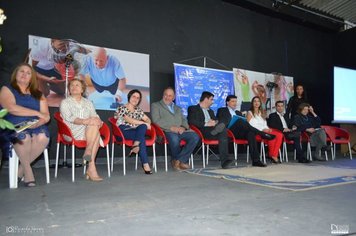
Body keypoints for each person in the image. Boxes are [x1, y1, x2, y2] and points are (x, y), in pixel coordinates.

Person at [0, 63, 50, 187]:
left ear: (32, 78)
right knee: (24, 137)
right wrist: (36, 113)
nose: (24, 74)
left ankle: (21, 170)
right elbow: (11, 108)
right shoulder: (7, 89)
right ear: (15, 74)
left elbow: (46, 116)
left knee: (43, 136)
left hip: (35, 124)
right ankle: (28, 172)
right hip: (13, 123)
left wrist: (40, 121)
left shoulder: (39, 94)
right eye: (21, 71)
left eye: (28, 73)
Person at [60, 78, 104, 181]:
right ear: (69, 90)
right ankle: (91, 166)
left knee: (94, 125)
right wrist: (86, 121)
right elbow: (69, 118)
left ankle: (89, 155)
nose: (74, 87)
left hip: (87, 130)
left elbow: (94, 115)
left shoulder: (88, 103)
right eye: (72, 86)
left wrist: (98, 121)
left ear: (82, 90)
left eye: (77, 85)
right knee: (95, 134)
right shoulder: (65, 102)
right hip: (70, 131)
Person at [217, 95, 276, 167]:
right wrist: (233, 121)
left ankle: (256, 160)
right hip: (229, 131)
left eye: (236, 101)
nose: (235, 103)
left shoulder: (238, 112)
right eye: (233, 101)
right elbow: (220, 121)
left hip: (239, 132)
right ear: (227, 102)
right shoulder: (222, 110)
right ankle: (262, 134)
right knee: (239, 120)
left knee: (250, 133)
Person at [151, 87, 200, 170]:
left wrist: (183, 127)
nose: (167, 97)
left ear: (173, 98)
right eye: (165, 95)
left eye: (170, 96)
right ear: (163, 95)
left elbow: (184, 120)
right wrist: (171, 127)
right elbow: (156, 120)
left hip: (181, 130)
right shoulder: (156, 105)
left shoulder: (178, 108)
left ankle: (178, 160)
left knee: (195, 137)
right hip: (166, 131)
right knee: (174, 139)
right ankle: (180, 161)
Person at [187, 91, 233, 169]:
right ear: (206, 99)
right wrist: (206, 124)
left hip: (213, 131)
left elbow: (216, 120)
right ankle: (224, 160)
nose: (212, 102)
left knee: (223, 129)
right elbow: (191, 121)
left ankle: (224, 162)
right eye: (211, 99)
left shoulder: (211, 111)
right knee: (223, 131)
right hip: (202, 131)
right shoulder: (193, 108)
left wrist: (215, 122)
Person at [115, 89, 152, 174]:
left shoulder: (138, 110)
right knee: (142, 132)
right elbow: (129, 120)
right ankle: (145, 164)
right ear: (129, 97)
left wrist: (147, 123)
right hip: (122, 131)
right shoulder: (121, 108)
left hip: (134, 132)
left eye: (138, 98)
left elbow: (148, 119)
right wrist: (145, 123)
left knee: (141, 131)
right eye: (134, 96)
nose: (135, 99)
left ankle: (135, 145)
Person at [247, 96, 283, 163]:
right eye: (255, 101)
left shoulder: (262, 113)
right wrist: (263, 129)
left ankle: (273, 155)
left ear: (260, 103)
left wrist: (267, 129)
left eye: (258, 101)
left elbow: (264, 124)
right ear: (252, 103)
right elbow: (250, 125)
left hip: (265, 130)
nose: (256, 103)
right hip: (257, 132)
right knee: (272, 137)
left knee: (280, 135)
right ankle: (273, 156)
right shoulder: (249, 113)